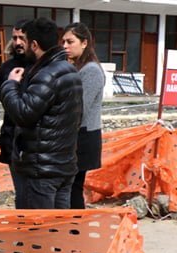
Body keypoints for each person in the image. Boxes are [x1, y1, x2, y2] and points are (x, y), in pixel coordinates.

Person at [0, 18, 83, 209]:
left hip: (42, 171)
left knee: (37, 232)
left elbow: (24, 113)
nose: (20, 45)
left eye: (25, 41)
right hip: (63, 167)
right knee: (56, 231)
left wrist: (10, 84)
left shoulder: (47, 74)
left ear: (34, 45)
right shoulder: (70, 70)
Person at [63, 22, 105, 209]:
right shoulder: (75, 68)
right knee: (69, 186)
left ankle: (75, 229)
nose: (65, 46)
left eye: (70, 41)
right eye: (63, 41)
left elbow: (80, 108)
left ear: (84, 43)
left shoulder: (91, 71)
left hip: (83, 136)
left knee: (73, 187)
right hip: (74, 135)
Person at [0, 20, 30, 208]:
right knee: (21, 194)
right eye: (15, 38)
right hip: (12, 137)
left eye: (22, 38)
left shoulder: (42, 67)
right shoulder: (6, 68)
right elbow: (8, 102)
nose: (18, 42)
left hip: (36, 141)